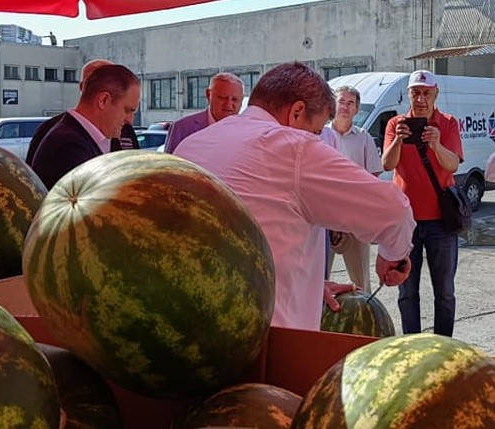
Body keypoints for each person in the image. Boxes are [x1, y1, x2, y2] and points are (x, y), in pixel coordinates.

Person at [174, 61, 415, 331]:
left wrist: (310, 285)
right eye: (316, 131)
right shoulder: (294, 148)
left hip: (189, 327)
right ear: (297, 112)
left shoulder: (190, 146)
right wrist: (393, 256)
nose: (318, 139)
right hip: (266, 335)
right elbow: (394, 211)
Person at [382, 70, 463, 337]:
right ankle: (411, 342)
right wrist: (398, 140)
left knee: (445, 291)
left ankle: (443, 344)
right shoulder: (395, 124)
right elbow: (387, 164)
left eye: (426, 93)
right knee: (407, 291)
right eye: (415, 93)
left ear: (435, 94)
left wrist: (436, 145)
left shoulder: (448, 123)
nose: (421, 99)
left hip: (441, 221)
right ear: (408, 95)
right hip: (406, 223)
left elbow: (452, 164)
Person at [31, 64, 140, 189]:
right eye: (127, 110)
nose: (130, 120)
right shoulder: (69, 146)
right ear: (103, 100)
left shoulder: (77, 137)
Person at [320, 86, 383, 293]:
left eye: (350, 103)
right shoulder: (320, 135)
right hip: (324, 217)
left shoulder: (364, 138)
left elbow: (373, 178)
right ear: (332, 104)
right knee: (319, 280)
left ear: (356, 109)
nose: (345, 107)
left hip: (355, 218)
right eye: (341, 101)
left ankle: (365, 313)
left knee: (361, 281)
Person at [164, 72, 244, 153]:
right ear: (208, 95)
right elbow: (170, 160)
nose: (229, 104)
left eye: (235, 99)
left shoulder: (246, 131)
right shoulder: (181, 128)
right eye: (223, 98)